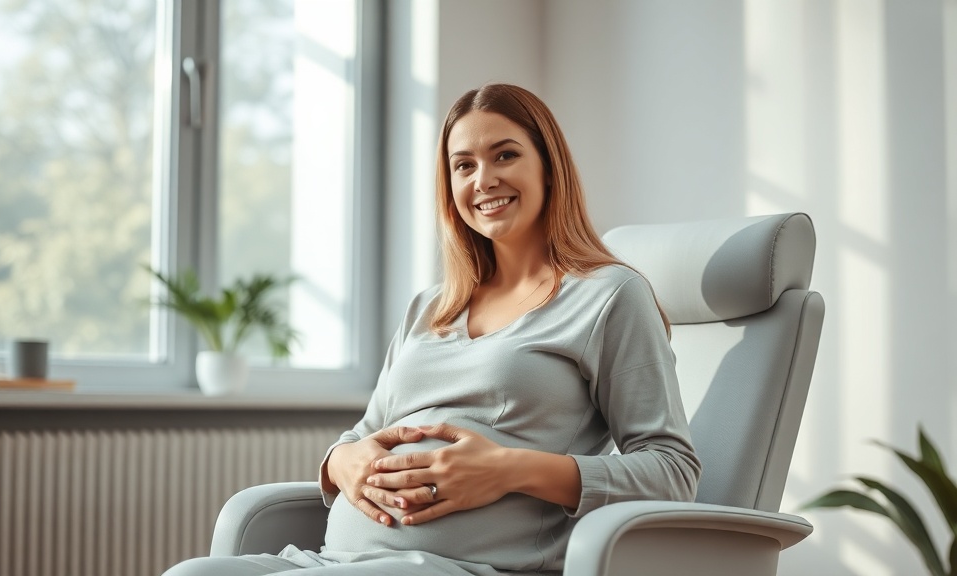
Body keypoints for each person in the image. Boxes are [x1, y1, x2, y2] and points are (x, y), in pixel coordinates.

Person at [162, 83, 701, 576]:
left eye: (505, 155)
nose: (483, 180)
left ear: (549, 167)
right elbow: (366, 431)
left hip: (466, 567)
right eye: (463, 165)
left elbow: (672, 471)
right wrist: (340, 461)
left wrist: (508, 469)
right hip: (335, 560)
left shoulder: (608, 295)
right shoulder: (430, 307)